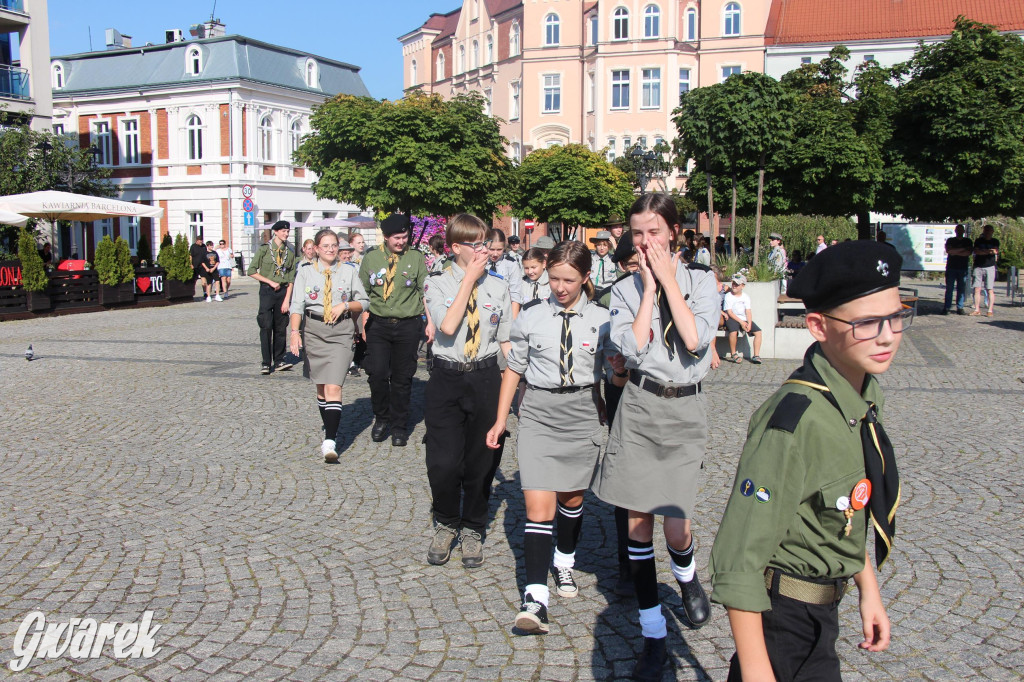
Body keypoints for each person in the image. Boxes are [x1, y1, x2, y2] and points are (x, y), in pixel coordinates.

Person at [710, 239, 907, 682]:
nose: (887, 336)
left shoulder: (860, 397)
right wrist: (758, 671)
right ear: (818, 326)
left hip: (823, 613)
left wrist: (867, 589)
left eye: (895, 317)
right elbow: (738, 558)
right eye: (867, 323)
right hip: (783, 623)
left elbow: (843, 512)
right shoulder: (794, 422)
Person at [591, 193, 719, 680]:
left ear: (674, 232)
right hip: (640, 406)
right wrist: (647, 291)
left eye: (654, 232)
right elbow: (634, 345)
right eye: (638, 233)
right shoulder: (624, 289)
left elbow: (694, 340)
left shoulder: (702, 281)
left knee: (676, 524)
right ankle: (652, 634)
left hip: (685, 407)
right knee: (638, 524)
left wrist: (668, 281)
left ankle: (686, 577)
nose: (645, 241)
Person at [485, 241, 611, 634]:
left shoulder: (605, 320)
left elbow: (615, 374)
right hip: (539, 413)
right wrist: (500, 419)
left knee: (572, 501)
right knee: (539, 508)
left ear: (585, 277)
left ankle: (565, 561)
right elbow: (514, 370)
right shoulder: (531, 317)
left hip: (583, 414)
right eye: (554, 278)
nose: (559, 286)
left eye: (568, 279)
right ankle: (535, 599)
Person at [423, 214, 512, 568]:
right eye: (475, 245)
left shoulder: (499, 286)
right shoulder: (437, 283)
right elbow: (446, 326)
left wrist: (519, 384)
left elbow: (506, 340)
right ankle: (445, 521)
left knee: (482, 459)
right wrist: (468, 281)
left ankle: (473, 526)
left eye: (485, 244)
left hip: (486, 376)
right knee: (443, 462)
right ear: (456, 247)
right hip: (447, 377)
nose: (484, 251)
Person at [288, 229, 369, 463]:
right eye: (326, 246)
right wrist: (295, 333)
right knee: (322, 387)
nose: (331, 249)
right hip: (314, 331)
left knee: (334, 385)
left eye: (334, 245)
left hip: (341, 332)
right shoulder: (305, 273)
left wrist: (345, 306)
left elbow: (363, 301)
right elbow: (297, 306)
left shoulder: (349, 271)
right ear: (316, 248)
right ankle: (329, 426)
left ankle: (330, 441)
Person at [358, 213, 428, 446]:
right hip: (378, 323)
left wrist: (430, 322)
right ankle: (381, 417)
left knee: (402, 378)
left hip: (408, 324)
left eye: (404, 237)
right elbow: (362, 293)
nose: (401, 242)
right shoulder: (372, 258)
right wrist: (361, 324)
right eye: (396, 238)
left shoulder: (416, 258)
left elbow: (424, 291)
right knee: (377, 373)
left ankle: (399, 426)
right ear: (385, 237)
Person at [247, 221, 297, 375]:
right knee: (266, 326)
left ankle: (280, 359)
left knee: (281, 327)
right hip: (267, 291)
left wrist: (286, 300)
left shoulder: (289, 251)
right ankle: (266, 362)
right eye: (283, 231)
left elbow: (290, 279)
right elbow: (251, 271)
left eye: (287, 231)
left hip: (282, 292)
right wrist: (269, 281)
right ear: (275, 232)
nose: (286, 234)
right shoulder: (264, 250)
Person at [723, 273, 763, 364]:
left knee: (758, 332)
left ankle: (756, 355)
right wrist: (741, 322)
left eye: (737, 284)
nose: (734, 286)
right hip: (732, 318)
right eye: (733, 283)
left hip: (743, 319)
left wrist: (748, 323)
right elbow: (729, 312)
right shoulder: (728, 296)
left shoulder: (745, 297)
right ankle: (733, 354)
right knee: (733, 331)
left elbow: (748, 311)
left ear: (743, 286)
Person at [486, 228, 523, 317]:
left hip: (504, 311)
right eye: (491, 249)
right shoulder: (480, 262)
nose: (495, 254)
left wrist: (513, 323)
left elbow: (515, 295)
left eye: (499, 250)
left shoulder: (511, 264)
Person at [943, 224, 972, 315]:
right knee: (949, 288)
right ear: (955, 231)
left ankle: (960, 307)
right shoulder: (950, 240)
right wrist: (962, 250)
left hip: (962, 268)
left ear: (963, 231)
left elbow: (968, 253)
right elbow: (949, 251)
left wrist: (955, 251)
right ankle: (947, 307)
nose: (959, 232)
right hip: (951, 267)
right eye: (958, 230)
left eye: (961, 230)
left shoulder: (968, 241)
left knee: (961, 289)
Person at [971, 224, 999, 317]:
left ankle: (990, 310)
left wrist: (983, 252)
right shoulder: (978, 241)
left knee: (989, 289)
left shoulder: (995, 241)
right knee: (977, 289)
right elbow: (976, 251)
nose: (987, 232)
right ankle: (977, 309)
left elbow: (995, 251)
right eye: (986, 230)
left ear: (992, 232)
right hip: (978, 266)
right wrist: (988, 251)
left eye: (989, 230)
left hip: (990, 266)